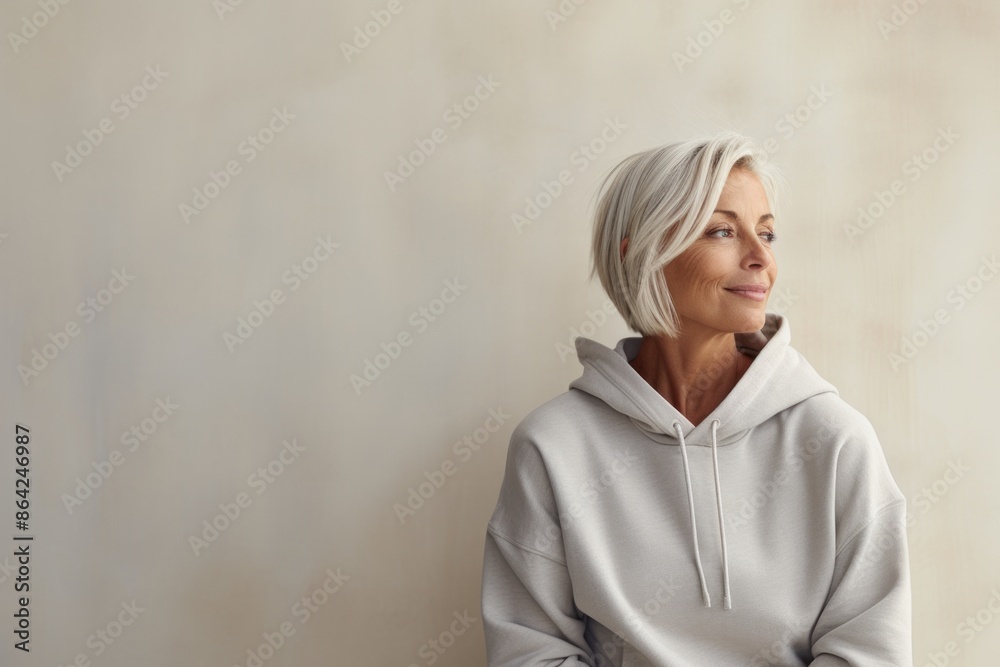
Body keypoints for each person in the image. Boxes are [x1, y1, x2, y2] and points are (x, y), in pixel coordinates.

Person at [479, 132, 912, 666]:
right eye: (722, 231)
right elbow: (531, 651)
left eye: (768, 234)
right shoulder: (552, 447)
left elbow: (870, 651)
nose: (760, 258)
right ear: (639, 250)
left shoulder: (834, 440)